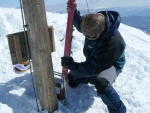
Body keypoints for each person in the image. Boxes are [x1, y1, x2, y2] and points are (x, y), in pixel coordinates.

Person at [61, 1, 126, 113]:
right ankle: (91, 78)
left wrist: (73, 65)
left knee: (101, 83)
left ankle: (119, 109)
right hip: (95, 62)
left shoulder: (113, 42)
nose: (88, 38)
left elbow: (94, 67)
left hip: (111, 65)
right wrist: (73, 11)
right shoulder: (92, 24)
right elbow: (79, 23)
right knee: (72, 78)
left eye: (91, 37)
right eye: (86, 36)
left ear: (101, 30)